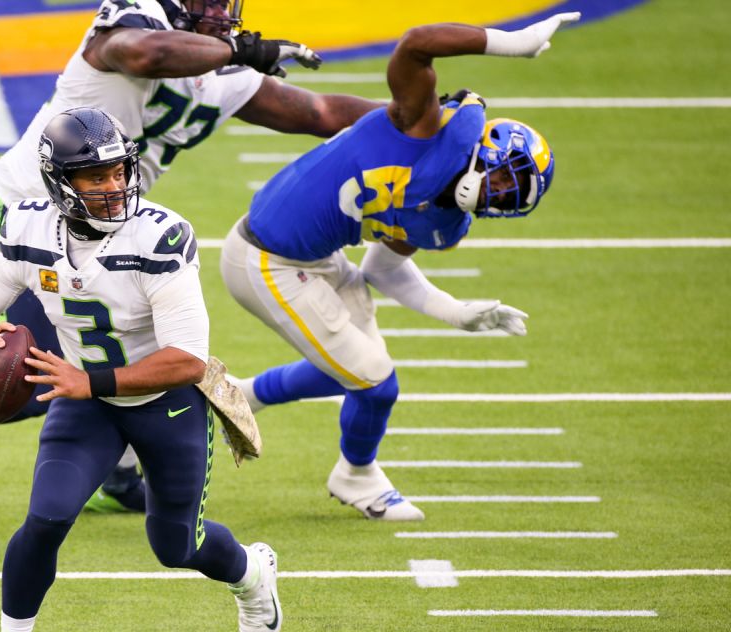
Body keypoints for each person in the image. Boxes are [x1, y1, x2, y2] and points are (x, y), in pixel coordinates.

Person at [0, 0, 384, 515]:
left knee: (132, 342)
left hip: (117, 225)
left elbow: (320, 112)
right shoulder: (136, 21)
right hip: (34, 209)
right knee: (35, 378)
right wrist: (239, 51)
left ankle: (117, 475)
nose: (221, 15)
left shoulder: (220, 68)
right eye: (209, 3)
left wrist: (422, 120)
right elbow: (142, 54)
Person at [0, 107, 281, 632]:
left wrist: (88, 379)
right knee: (46, 518)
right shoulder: (29, 228)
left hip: (167, 404)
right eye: (93, 176)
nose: (112, 186)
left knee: (175, 547)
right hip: (88, 405)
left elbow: (186, 360)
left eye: (117, 171)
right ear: (58, 183)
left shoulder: (160, 235)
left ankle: (252, 575)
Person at [219, 13, 579, 522]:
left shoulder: (445, 219)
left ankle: (238, 395)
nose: (500, 198)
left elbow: (383, 269)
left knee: (355, 370)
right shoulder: (425, 125)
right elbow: (415, 44)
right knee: (375, 380)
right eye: (504, 182)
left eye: (512, 198)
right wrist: (512, 43)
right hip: (265, 257)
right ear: (487, 153)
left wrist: (457, 312)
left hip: (317, 258)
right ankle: (356, 476)